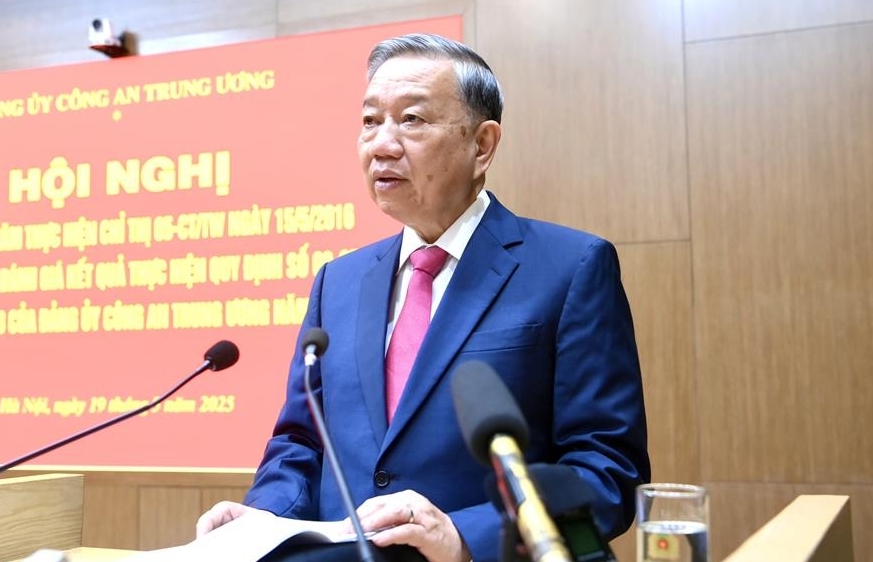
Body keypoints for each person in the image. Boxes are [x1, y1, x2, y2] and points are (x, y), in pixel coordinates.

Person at [197, 33, 650, 562]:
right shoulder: (338, 282)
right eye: (370, 121)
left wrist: (463, 537)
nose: (382, 144)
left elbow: (606, 472)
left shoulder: (570, 268)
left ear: (482, 145)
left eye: (411, 120)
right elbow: (301, 444)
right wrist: (267, 518)